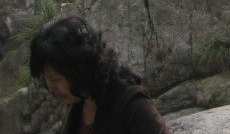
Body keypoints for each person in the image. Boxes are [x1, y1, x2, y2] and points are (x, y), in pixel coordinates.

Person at [29, 16, 170, 134]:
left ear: (79, 71)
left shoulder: (132, 104)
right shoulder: (78, 105)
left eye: (55, 79)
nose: (51, 89)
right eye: (46, 80)